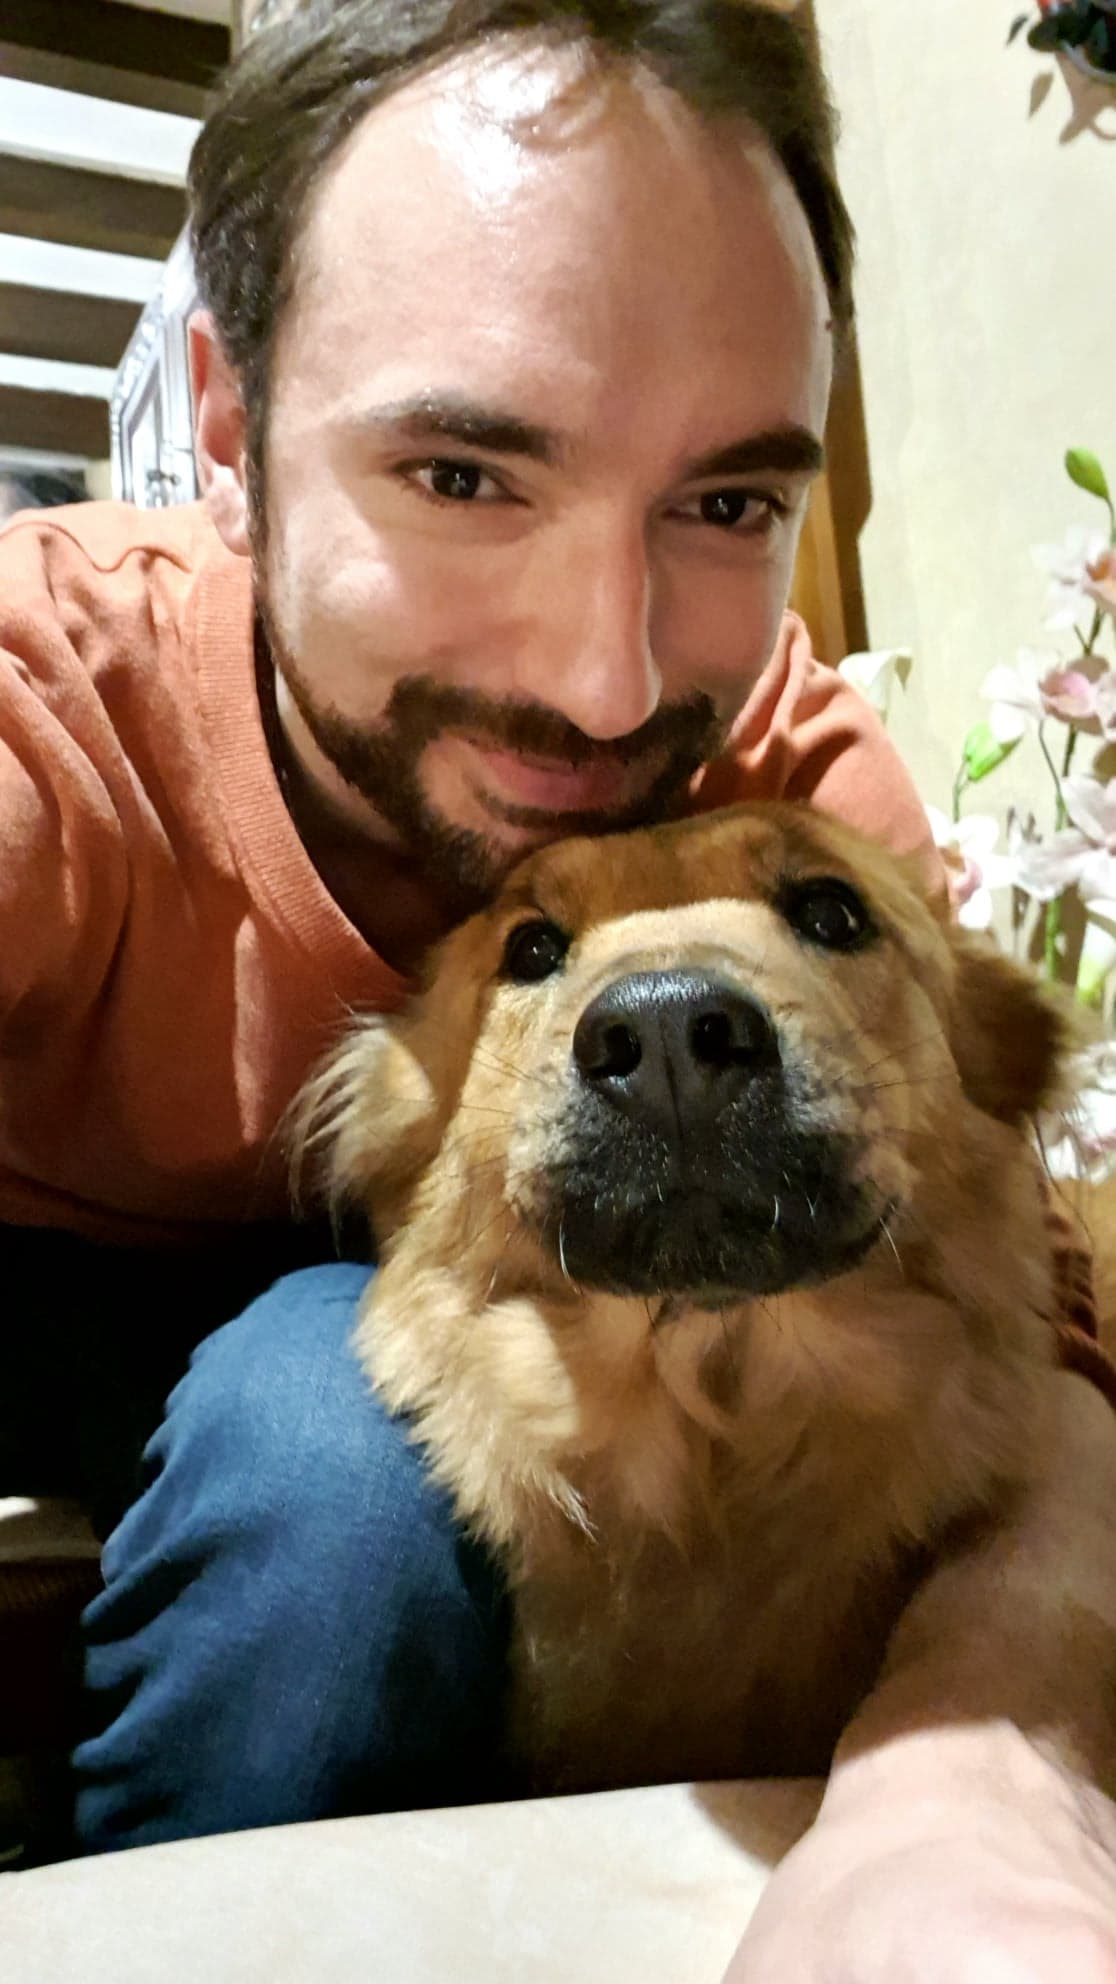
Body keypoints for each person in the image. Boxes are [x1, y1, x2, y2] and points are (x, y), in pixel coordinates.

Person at [2, 0, 1115, 1972]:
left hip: (353, 1319)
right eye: (460, 473)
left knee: (322, 1466)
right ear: (233, 429)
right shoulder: (45, 718)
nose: (609, 686)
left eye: (728, 503)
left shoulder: (794, 782)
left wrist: (970, 1792)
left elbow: (1049, 1345)